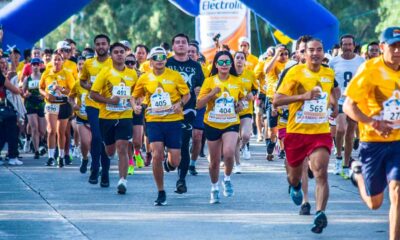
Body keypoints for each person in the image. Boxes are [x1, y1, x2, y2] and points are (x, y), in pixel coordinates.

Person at [273, 38, 338, 233]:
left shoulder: (328, 72)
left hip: (319, 131)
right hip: (296, 132)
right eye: (311, 50)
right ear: (304, 53)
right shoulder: (294, 72)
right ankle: (294, 186)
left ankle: (320, 213)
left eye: (319, 49)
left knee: (321, 173)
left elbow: (333, 89)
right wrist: (303, 96)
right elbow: (277, 100)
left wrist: (334, 103)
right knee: (294, 178)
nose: (316, 53)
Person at [344, 26, 400, 240]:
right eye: (393, 46)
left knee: (397, 192)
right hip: (372, 141)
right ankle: (357, 173)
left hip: (398, 142)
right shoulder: (369, 69)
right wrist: (374, 123)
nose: (397, 51)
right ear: (383, 46)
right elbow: (349, 106)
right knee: (374, 203)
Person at [131, 46, 190, 205]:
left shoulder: (175, 76)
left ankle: (169, 165)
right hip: (154, 120)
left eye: (162, 57)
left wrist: (180, 104)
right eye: (156, 58)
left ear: (166, 59)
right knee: (157, 154)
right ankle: (161, 191)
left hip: (173, 120)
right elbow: (135, 96)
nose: (159, 60)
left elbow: (187, 94)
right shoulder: (144, 78)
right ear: (150, 61)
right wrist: (135, 106)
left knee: (176, 161)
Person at [197, 50, 245, 204]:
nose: (224, 65)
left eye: (227, 62)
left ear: (231, 64)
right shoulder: (209, 81)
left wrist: (240, 106)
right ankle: (214, 188)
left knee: (229, 152)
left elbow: (243, 100)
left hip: (231, 122)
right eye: (221, 62)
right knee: (214, 162)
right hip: (212, 123)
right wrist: (211, 94)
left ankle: (227, 178)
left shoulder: (237, 81)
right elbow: (198, 104)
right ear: (216, 65)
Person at [90, 42, 138, 193]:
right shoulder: (105, 72)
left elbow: (137, 94)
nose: (119, 54)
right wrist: (110, 101)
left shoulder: (132, 74)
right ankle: (105, 158)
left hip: (125, 115)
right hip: (107, 116)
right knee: (110, 151)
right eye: (116, 52)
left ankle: (122, 180)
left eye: (122, 52)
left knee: (123, 146)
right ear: (111, 55)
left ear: (126, 54)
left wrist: (136, 104)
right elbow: (93, 94)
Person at [166, 33, 204, 193]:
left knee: (183, 143)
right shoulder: (167, 63)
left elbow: (203, 85)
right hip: (167, 109)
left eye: (184, 42)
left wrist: (199, 90)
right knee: (171, 145)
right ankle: (169, 163)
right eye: (177, 42)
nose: (181, 45)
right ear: (173, 46)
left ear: (189, 46)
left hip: (188, 109)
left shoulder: (195, 66)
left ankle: (181, 180)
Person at [329, 34, 365, 179]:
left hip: (354, 100)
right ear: (341, 45)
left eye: (350, 44)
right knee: (341, 128)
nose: (347, 47)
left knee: (350, 133)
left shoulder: (361, 61)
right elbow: (330, 82)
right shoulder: (334, 61)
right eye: (344, 44)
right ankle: (338, 158)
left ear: (354, 45)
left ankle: (345, 163)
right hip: (340, 100)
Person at [80, 34, 113, 185]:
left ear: (108, 46)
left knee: (106, 139)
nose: (101, 46)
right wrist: (92, 88)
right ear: (95, 47)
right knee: (97, 137)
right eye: (98, 44)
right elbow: (82, 81)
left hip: (109, 106)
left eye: (103, 44)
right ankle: (94, 167)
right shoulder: (88, 63)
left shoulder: (114, 63)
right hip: (92, 105)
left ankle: (105, 172)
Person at [39, 52, 75, 167]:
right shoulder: (46, 73)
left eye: (59, 59)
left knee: (61, 132)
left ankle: (61, 156)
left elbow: (73, 91)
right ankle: (50, 157)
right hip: (51, 104)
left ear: (62, 61)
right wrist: (46, 94)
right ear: (51, 61)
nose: (56, 62)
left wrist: (62, 89)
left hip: (63, 105)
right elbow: (41, 87)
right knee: (51, 130)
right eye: (54, 59)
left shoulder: (67, 74)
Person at [263, 44, 289, 160]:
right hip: (271, 99)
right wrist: (276, 55)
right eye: (281, 53)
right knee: (273, 130)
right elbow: (266, 70)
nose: (283, 56)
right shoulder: (270, 61)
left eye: (285, 54)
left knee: (285, 126)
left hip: (285, 100)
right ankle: (271, 144)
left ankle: (283, 150)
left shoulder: (291, 64)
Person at [233, 51, 257, 173]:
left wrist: (252, 94)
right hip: (232, 110)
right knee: (236, 138)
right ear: (234, 60)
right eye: (237, 57)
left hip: (247, 109)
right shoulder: (229, 74)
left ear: (245, 61)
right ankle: (237, 164)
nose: (239, 60)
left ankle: (243, 147)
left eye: (242, 58)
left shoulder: (250, 74)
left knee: (246, 136)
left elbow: (255, 89)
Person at [187, 42, 206, 175]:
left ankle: (192, 164)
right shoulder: (176, 67)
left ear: (197, 55)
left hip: (199, 105)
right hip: (182, 106)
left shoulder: (203, 68)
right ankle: (182, 158)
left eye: (193, 51)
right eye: (188, 51)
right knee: (182, 136)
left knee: (198, 136)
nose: (190, 53)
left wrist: (202, 90)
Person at [22, 57, 46, 159]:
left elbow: (48, 89)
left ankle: (39, 143)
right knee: (34, 128)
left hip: (41, 104)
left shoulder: (44, 77)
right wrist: (25, 95)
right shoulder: (27, 78)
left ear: (40, 65)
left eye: (37, 64)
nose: (35, 66)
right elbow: (23, 91)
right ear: (31, 66)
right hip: (30, 104)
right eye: (33, 65)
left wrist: (44, 95)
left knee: (42, 131)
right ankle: (36, 151)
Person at [125, 53, 145, 175]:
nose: (130, 65)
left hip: (137, 109)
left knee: (137, 141)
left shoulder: (141, 75)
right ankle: (130, 163)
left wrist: (140, 100)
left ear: (136, 63)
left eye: (132, 62)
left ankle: (137, 153)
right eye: (127, 62)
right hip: (124, 109)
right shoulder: (120, 74)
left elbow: (145, 91)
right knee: (127, 139)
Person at [0, 63, 23, 165]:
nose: (3, 65)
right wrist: (19, 90)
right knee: (12, 131)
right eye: (1, 62)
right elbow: (14, 89)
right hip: (5, 109)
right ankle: (12, 157)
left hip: (5, 108)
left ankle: (12, 155)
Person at [69, 76, 91, 174]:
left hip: (96, 117)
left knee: (95, 142)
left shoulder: (99, 80)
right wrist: (74, 105)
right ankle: (85, 158)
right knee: (85, 142)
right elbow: (70, 97)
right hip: (82, 116)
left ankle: (95, 163)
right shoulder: (78, 83)